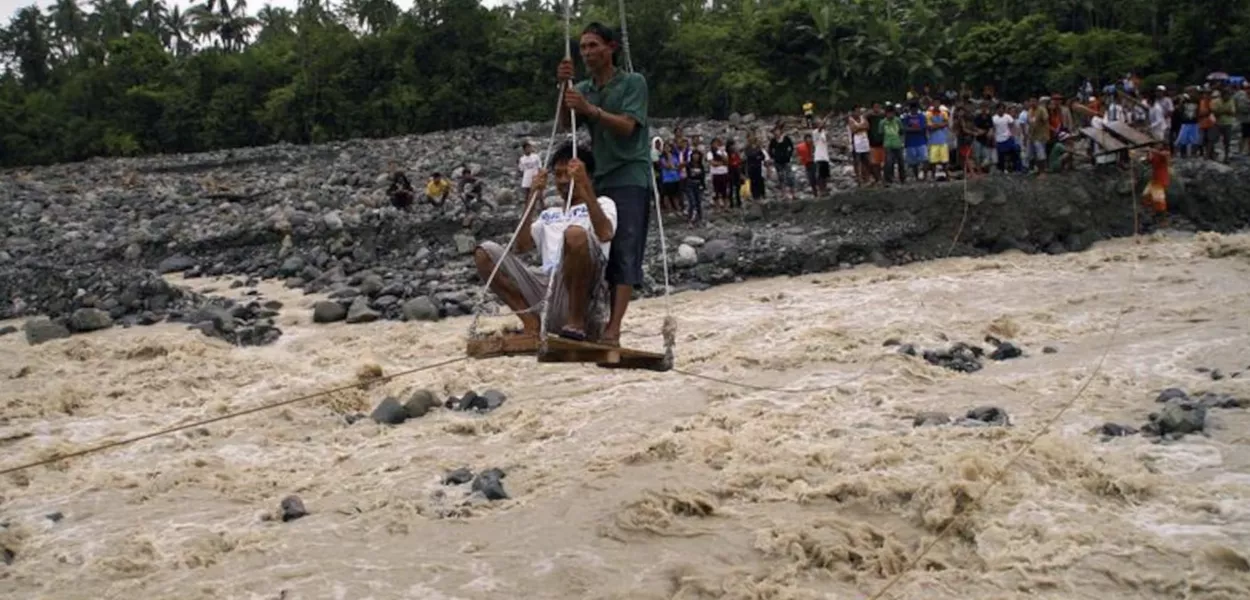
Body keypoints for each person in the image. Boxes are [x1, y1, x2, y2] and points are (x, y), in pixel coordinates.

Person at [557, 22, 650, 347]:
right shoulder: (582, 87)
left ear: (611, 47)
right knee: (592, 243)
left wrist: (590, 110)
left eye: (593, 45)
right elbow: (562, 124)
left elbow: (627, 126)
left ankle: (614, 329)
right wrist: (563, 87)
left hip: (630, 175)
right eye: (583, 47)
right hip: (600, 176)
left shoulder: (632, 83)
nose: (587, 52)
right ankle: (583, 320)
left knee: (624, 247)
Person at [474, 143, 615, 343]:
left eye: (569, 174)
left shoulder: (603, 204)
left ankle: (576, 323)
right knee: (484, 252)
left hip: (583, 294)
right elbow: (521, 246)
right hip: (546, 289)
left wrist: (585, 188)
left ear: (587, 175)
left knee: (575, 235)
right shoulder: (550, 215)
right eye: (558, 175)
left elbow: (605, 233)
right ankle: (532, 324)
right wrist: (533, 196)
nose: (564, 181)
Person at [1142, 142, 1171, 227]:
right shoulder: (1155, 154)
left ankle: (1163, 220)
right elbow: (1148, 161)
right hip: (1155, 179)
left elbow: (1164, 155)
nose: (1157, 146)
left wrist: (1151, 150)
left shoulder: (1165, 153)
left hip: (1161, 179)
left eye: (1158, 144)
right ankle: (1153, 214)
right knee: (1146, 195)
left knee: (1159, 200)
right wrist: (1148, 153)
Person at [879, 104, 905, 185]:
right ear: (886, 113)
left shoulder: (897, 120)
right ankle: (888, 179)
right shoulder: (883, 122)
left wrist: (900, 141)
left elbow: (901, 131)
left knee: (901, 162)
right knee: (889, 163)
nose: (891, 115)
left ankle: (902, 179)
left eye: (892, 113)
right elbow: (881, 133)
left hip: (897, 144)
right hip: (888, 145)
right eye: (889, 113)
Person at [768, 126, 796, 201]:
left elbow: (791, 147)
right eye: (774, 131)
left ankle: (793, 193)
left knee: (790, 177)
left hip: (786, 160)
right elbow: (770, 150)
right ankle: (784, 194)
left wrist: (788, 154)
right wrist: (774, 157)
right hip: (778, 162)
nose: (776, 133)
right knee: (781, 178)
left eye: (777, 131)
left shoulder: (786, 138)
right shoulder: (773, 141)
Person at [812, 117, 831, 196]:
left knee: (825, 175)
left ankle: (825, 189)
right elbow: (821, 127)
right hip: (819, 156)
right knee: (820, 175)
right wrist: (826, 118)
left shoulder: (824, 132)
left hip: (825, 156)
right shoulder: (815, 132)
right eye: (819, 123)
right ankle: (821, 190)